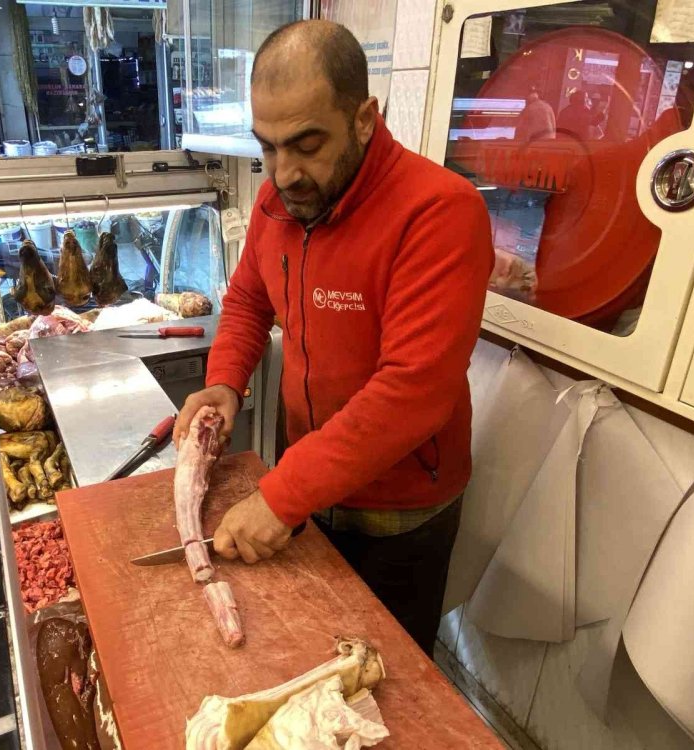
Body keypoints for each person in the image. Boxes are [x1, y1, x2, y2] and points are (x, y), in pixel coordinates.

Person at [173, 20, 493, 656]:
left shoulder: (439, 212)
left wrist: (284, 494)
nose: (284, 173)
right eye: (267, 148)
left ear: (366, 118)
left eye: (306, 144)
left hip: (398, 515)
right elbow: (246, 300)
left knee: (389, 684)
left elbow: (414, 392)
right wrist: (223, 382)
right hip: (310, 488)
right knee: (303, 658)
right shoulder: (277, 203)